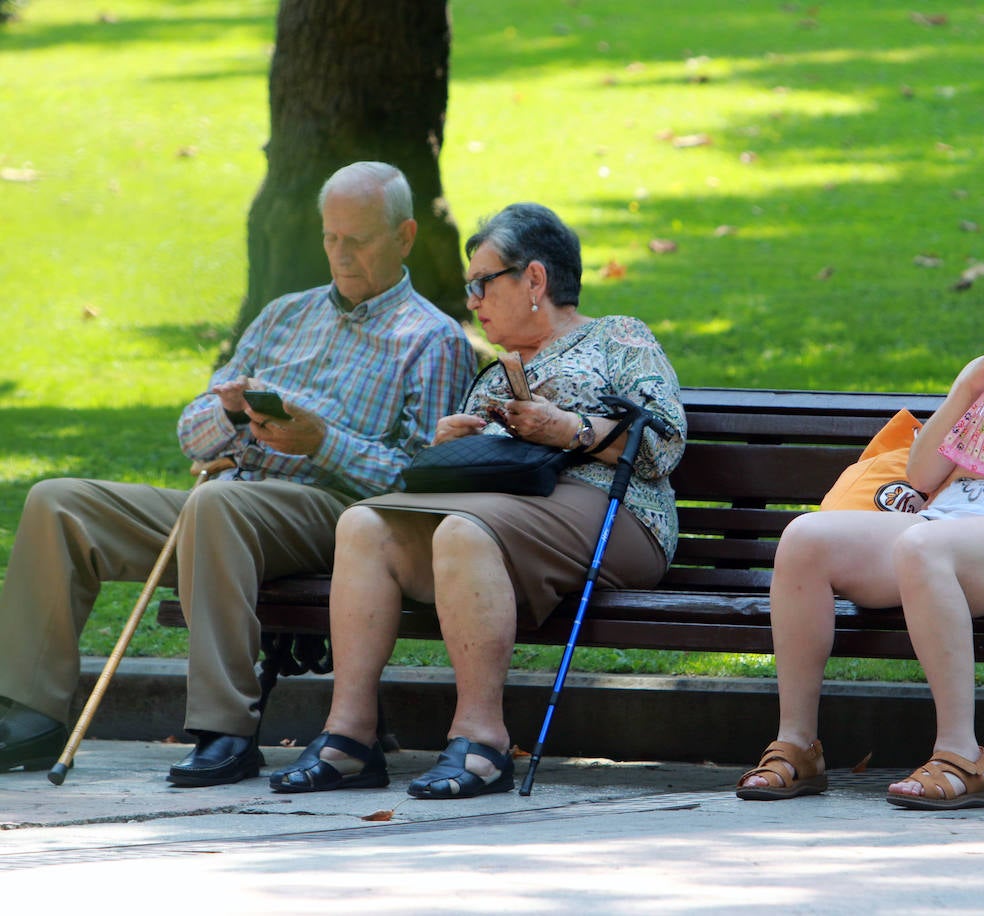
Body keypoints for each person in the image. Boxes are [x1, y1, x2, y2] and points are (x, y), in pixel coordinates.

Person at [0, 161, 476, 785]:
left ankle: (226, 729)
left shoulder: (433, 339)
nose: (340, 253)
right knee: (59, 502)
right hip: (229, 501)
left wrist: (321, 443)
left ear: (406, 236)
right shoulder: (283, 315)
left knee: (217, 507)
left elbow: (417, 482)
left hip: (337, 513)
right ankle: (29, 714)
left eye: (357, 239)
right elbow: (190, 432)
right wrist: (229, 416)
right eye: (331, 237)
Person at [735, 194, 984, 810]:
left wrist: (981, 453)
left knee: (926, 545)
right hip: (952, 527)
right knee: (805, 539)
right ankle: (798, 745)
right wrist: (967, 388)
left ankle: (962, 755)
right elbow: (925, 475)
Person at [269, 202, 686, 798]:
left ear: (534, 279)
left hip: (614, 516)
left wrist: (564, 428)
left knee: (463, 529)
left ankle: (482, 741)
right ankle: (350, 737)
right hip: (501, 520)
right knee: (364, 524)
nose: (472, 301)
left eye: (482, 284)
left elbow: (664, 442)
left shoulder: (618, 336)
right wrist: (447, 451)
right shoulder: (493, 373)